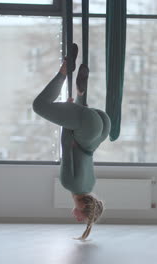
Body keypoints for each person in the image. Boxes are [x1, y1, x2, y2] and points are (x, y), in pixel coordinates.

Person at [32, 43, 110, 240]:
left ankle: (81, 94)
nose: (77, 219)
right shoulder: (70, 184)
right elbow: (67, 147)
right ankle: (64, 71)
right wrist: (65, 119)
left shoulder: (90, 185)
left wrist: (71, 115)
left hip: (101, 126)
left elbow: (82, 152)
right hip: (86, 128)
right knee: (39, 105)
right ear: (83, 207)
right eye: (82, 218)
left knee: (81, 121)